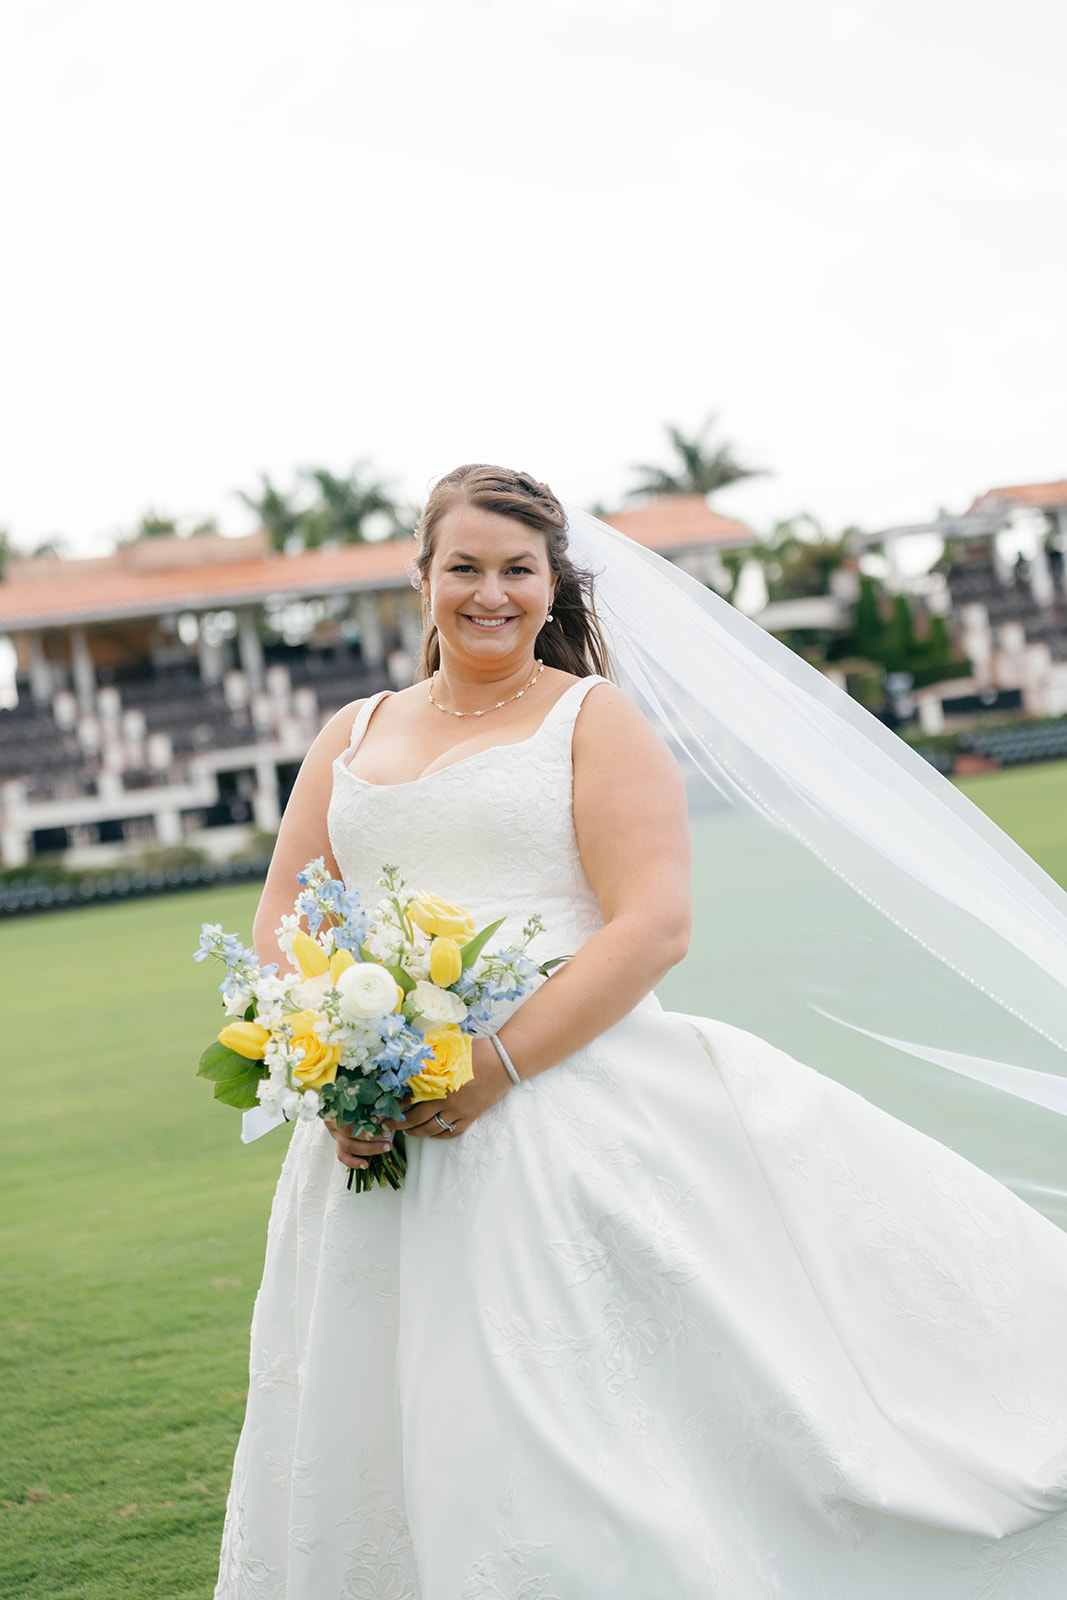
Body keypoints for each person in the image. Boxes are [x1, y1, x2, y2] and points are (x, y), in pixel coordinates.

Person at [215, 465, 1067, 1600]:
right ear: (419, 580)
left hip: (563, 1108)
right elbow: (284, 908)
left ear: (550, 584)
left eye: (516, 570)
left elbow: (653, 924)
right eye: (463, 566)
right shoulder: (349, 733)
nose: (489, 592)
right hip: (377, 1135)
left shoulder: (590, 719)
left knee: (592, 1419)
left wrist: (493, 1065)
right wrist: (327, 1067)